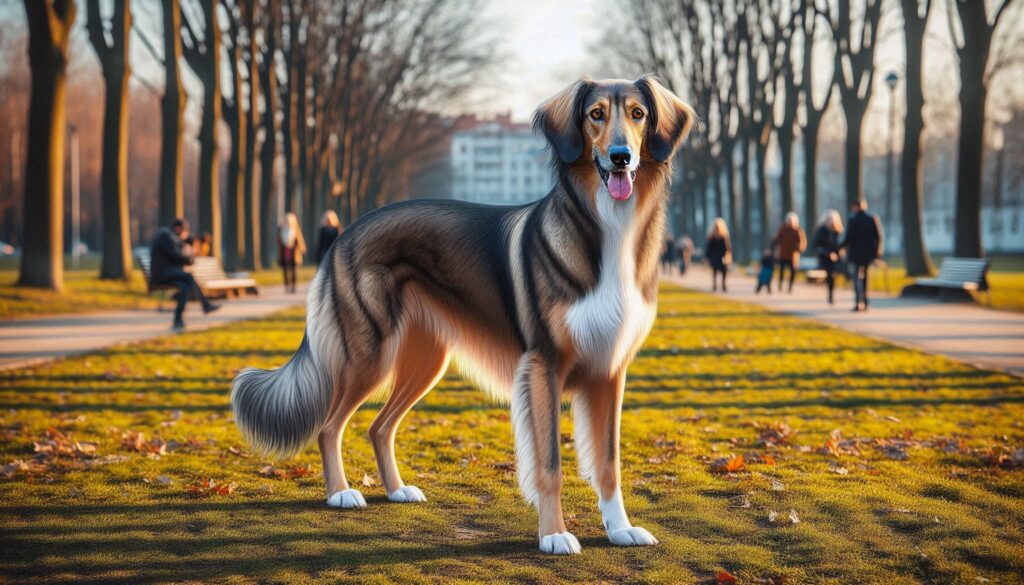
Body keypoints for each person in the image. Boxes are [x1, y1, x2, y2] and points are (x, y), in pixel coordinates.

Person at [149, 218, 220, 331]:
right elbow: (176, 257)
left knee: (185, 288)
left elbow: (182, 258)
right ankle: (205, 305)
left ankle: (178, 320)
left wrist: (189, 254)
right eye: (185, 232)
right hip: (162, 274)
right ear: (178, 229)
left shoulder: (171, 238)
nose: (185, 235)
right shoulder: (166, 237)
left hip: (168, 273)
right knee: (188, 276)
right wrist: (188, 255)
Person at [841, 198, 883, 312]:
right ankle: (865, 301)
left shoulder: (853, 220)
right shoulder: (872, 219)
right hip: (868, 254)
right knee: (865, 278)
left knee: (856, 278)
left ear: (855, 207)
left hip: (855, 255)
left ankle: (858, 302)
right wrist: (877, 253)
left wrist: (839, 247)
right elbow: (878, 237)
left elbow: (848, 238)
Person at [812, 210, 844, 305]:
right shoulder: (822, 230)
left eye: (832, 219)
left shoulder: (838, 231)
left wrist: (839, 253)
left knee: (834, 275)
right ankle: (830, 295)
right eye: (829, 219)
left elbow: (841, 245)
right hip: (825, 258)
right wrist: (827, 253)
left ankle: (832, 292)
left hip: (837, 259)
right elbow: (816, 245)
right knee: (830, 276)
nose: (831, 221)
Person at [772, 211, 806, 293]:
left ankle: (790, 286)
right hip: (783, 254)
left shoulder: (798, 230)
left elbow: (802, 242)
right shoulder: (783, 229)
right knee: (781, 270)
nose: (790, 222)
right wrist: (772, 248)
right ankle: (780, 284)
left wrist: (799, 248)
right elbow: (777, 239)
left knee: (793, 271)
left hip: (793, 255)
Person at [278, 212, 307, 294]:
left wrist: (301, 248)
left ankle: (293, 286)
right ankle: (287, 286)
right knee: (285, 270)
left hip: (294, 253)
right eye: (286, 220)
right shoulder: (281, 229)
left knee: (293, 270)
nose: (288, 221)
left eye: (289, 220)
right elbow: (278, 241)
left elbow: (300, 241)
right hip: (284, 252)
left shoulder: (295, 229)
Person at [705, 218, 731, 292]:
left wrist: (727, 255)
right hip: (714, 257)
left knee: (724, 271)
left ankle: (723, 285)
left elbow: (727, 248)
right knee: (714, 271)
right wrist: (707, 257)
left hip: (722, 257)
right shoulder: (712, 238)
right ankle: (715, 285)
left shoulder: (724, 237)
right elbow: (709, 248)